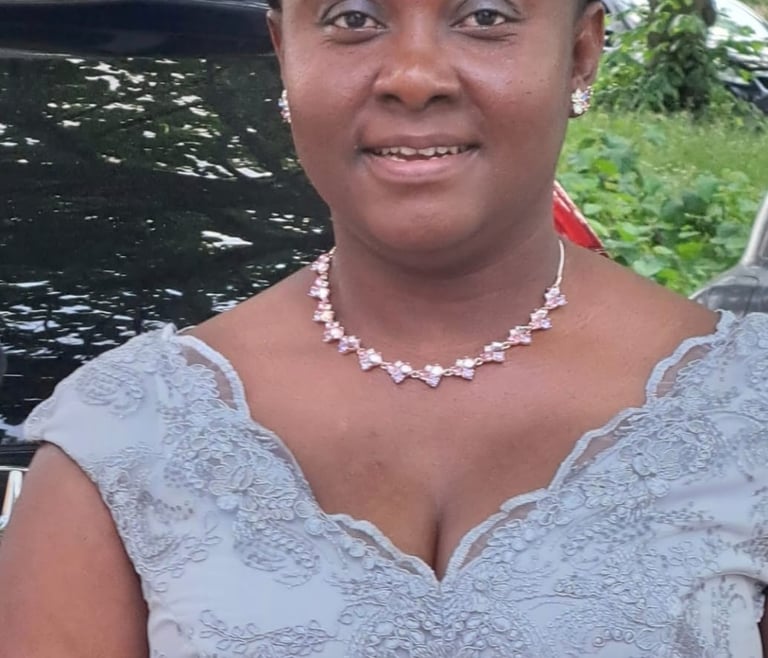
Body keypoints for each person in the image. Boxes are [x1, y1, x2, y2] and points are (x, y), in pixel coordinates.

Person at [1, 0, 767, 656]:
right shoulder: (125, 437)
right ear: (285, 54)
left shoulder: (747, 409)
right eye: (353, 17)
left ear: (580, 53)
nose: (413, 76)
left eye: (486, 16)